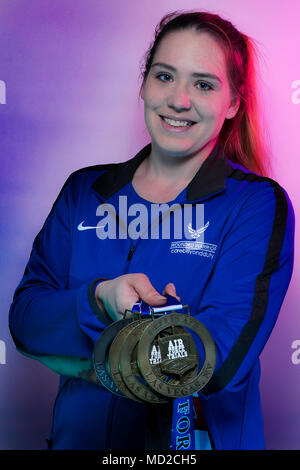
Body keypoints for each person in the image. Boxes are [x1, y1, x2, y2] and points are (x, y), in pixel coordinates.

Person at [9, 10, 294, 450]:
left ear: (233, 103)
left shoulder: (256, 206)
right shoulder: (85, 190)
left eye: (203, 84)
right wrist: (101, 298)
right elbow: (26, 321)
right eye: (165, 76)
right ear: (143, 84)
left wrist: (81, 361)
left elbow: (216, 364)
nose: (178, 100)